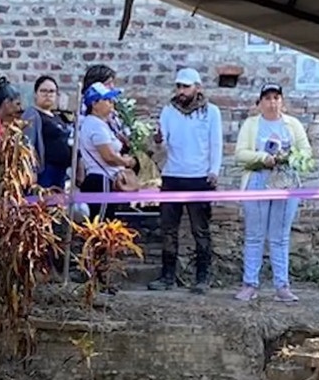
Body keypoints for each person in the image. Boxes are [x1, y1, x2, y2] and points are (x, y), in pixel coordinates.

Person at [234, 83, 313, 303]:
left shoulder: (293, 125)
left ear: (282, 101)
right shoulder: (251, 125)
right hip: (258, 180)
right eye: (267, 98)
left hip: (285, 182)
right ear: (260, 103)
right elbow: (240, 154)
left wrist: (289, 156)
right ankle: (250, 284)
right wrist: (262, 158)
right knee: (254, 235)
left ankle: (282, 285)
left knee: (279, 236)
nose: (272, 102)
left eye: (276, 98)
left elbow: (306, 151)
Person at [150, 68, 223, 293]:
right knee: (168, 229)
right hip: (172, 175)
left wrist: (214, 171)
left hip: (199, 177)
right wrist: (158, 141)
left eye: (186, 86)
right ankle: (168, 276)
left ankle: (203, 278)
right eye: (179, 86)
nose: (181, 91)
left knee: (200, 230)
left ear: (197, 88)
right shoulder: (169, 111)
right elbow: (162, 146)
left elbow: (216, 142)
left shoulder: (211, 112)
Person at [78, 82, 136, 220]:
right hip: (101, 180)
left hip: (105, 179)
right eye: (107, 100)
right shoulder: (96, 126)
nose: (111, 103)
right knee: (101, 223)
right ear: (94, 103)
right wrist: (127, 162)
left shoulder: (99, 124)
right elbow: (108, 156)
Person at [26, 75, 73, 190]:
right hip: (45, 171)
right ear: (35, 94)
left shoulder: (58, 117)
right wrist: (31, 170)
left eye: (51, 91)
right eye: (43, 91)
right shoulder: (32, 115)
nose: (48, 94)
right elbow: (27, 144)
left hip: (61, 171)